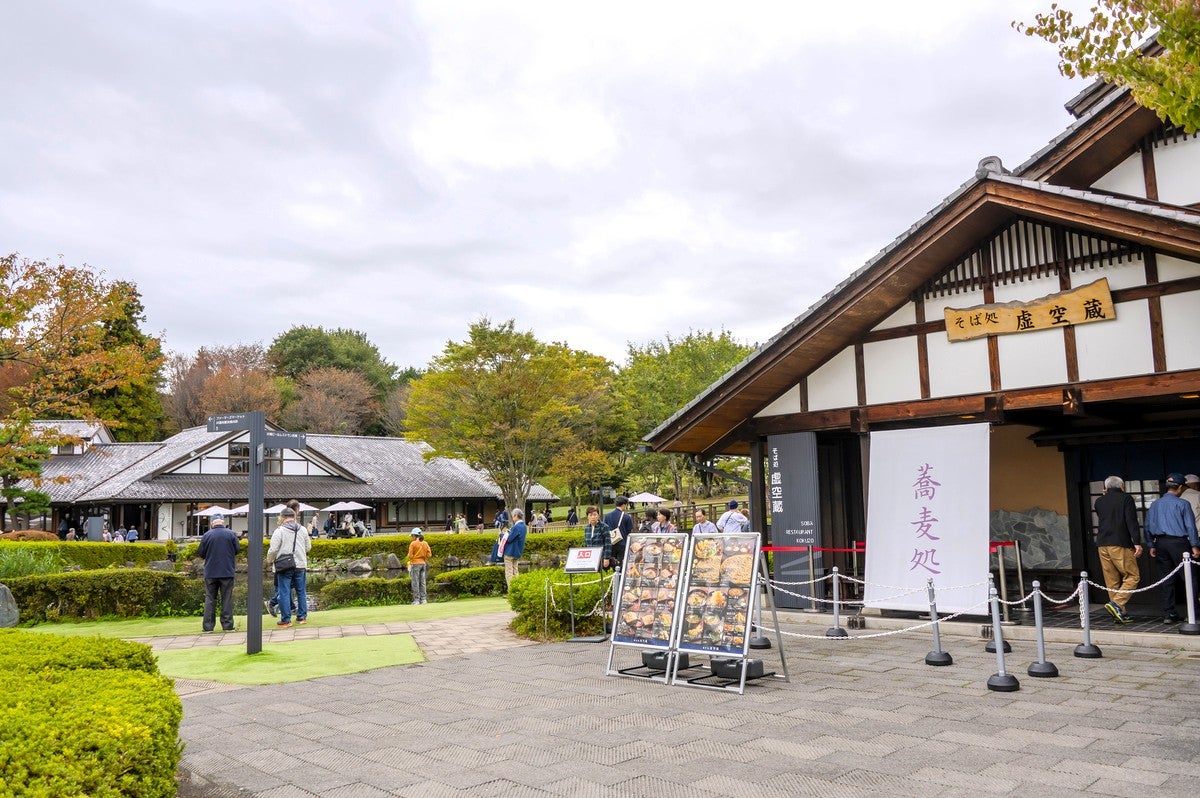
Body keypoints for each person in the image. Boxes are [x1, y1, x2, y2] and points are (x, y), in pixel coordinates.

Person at [1143, 473, 1200, 624]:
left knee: (1166, 579)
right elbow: (1190, 526)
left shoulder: (1155, 504)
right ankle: (1193, 613)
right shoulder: (1182, 504)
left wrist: (1151, 544)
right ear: (1180, 487)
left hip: (1160, 543)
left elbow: (1147, 525)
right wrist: (1194, 545)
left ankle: (1169, 614)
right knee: (1189, 578)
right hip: (1179, 543)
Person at [1093, 476, 1142, 623]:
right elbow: (1131, 521)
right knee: (1132, 576)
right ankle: (1117, 604)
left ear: (1106, 488)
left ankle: (1119, 614)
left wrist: (1105, 496)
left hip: (1102, 544)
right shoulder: (1126, 499)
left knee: (1111, 580)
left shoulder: (1099, 501)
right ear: (1122, 487)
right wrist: (1137, 542)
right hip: (1120, 543)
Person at [266, 507, 312, 628]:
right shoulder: (302, 530)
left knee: (284, 592)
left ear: (282, 518)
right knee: (301, 591)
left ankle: (286, 619)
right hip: (300, 564)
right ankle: (302, 617)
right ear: (294, 517)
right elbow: (308, 547)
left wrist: (270, 560)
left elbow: (273, 549)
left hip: (284, 566)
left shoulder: (279, 531)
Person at [196, 514, 239, 633]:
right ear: (223, 522)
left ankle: (208, 627)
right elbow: (237, 550)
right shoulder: (231, 534)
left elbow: (201, 552)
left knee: (210, 598)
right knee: (227, 598)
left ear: (212, 523)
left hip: (210, 571)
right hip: (227, 570)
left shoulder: (207, 535)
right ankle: (228, 625)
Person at [603, 496, 634, 570]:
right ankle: (619, 578)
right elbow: (629, 531)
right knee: (621, 563)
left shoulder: (607, 516)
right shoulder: (627, 517)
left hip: (611, 543)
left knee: (613, 562)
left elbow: (605, 528)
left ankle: (614, 576)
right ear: (624, 505)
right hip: (622, 543)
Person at [501, 509, 528, 588]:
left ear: (516, 515)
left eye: (513, 516)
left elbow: (509, 539)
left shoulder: (516, 527)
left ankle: (512, 590)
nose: (512, 518)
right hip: (518, 552)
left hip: (510, 551)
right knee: (515, 571)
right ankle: (517, 589)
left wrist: (501, 535)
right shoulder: (524, 526)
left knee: (509, 572)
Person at [583, 505, 613, 570]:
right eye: (590, 515)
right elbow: (586, 544)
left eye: (595, 515)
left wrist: (606, 558)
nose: (593, 517)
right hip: (590, 558)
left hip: (601, 557)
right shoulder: (587, 528)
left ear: (598, 515)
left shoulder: (604, 527)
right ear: (587, 516)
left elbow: (608, 544)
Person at [407, 528, 432, 605]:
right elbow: (429, 555)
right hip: (423, 564)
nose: (412, 537)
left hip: (415, 564)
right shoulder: (425, 543)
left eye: (412, 536)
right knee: (422, 582)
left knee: (415, 582)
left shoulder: (413, 544)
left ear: (415, 535)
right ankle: (424, 599)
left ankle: (416, 600)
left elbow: (410, 556)